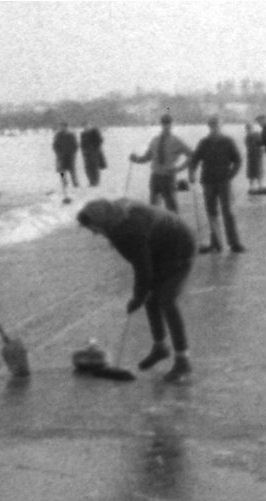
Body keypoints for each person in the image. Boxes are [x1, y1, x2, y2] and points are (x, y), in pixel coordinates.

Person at [77, 198, 195, 383]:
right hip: (161, 247)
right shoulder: (117, 217)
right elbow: (143, 264)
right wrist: (142, 295)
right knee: (151, 298)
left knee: (167, 299)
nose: (94, 233)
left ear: (102, 221)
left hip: (180, 246)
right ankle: (160, 348)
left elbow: (143, 268)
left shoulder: (127, 231)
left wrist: (137, 298)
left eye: (94, 228)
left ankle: (183, 361)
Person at [187, 116, 245, 254]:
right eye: (212, 125)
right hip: (207, 182)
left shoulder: (228, 141)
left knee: (228, 212)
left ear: (221, 126)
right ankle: (215, 243)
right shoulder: (204, 142)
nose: (214, 128)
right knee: (212, 213)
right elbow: (194, 160)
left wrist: (230, 175)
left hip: (224, 182)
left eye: (216, 125)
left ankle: (234, 243)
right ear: (209, 127)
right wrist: (191, 173)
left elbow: (238, 160)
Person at [129, 114, 192, 212]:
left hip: (168, 178)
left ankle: (173, 227)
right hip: (155, 178)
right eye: (164, 123)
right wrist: (136, 159)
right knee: (153, 209)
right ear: (161, 125)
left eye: (168, 123)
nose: (166, 126)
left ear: (172, 125)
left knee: (172, 209)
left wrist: (179, 169)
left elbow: (192, 156)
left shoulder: (176, 141)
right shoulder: (155, 140)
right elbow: (147, 157)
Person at [52, 122, 80, 190]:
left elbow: (75, 145)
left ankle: (75, 183)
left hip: (70, 156)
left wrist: (73, 153)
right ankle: (64, 182)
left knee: (72, 170)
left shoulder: (71, 135)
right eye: (61, 127)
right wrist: (58, 153)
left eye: (64, 127)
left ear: (67, 127)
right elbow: (55, 145)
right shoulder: (58, 135)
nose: (62, 128)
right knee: (61, 171)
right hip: (61, 156)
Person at [243, 122, 264, 192]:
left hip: (257, 156)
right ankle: (252, 187)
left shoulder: (257, 134)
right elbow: (248, 146)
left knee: (258, 172)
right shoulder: (247, 137)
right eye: (247, 129)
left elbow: (262, 144)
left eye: (249, 128)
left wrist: (261, 152)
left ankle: (260, 186)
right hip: (251, 157)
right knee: (251, 173)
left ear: (252, 128)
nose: (248, 130)